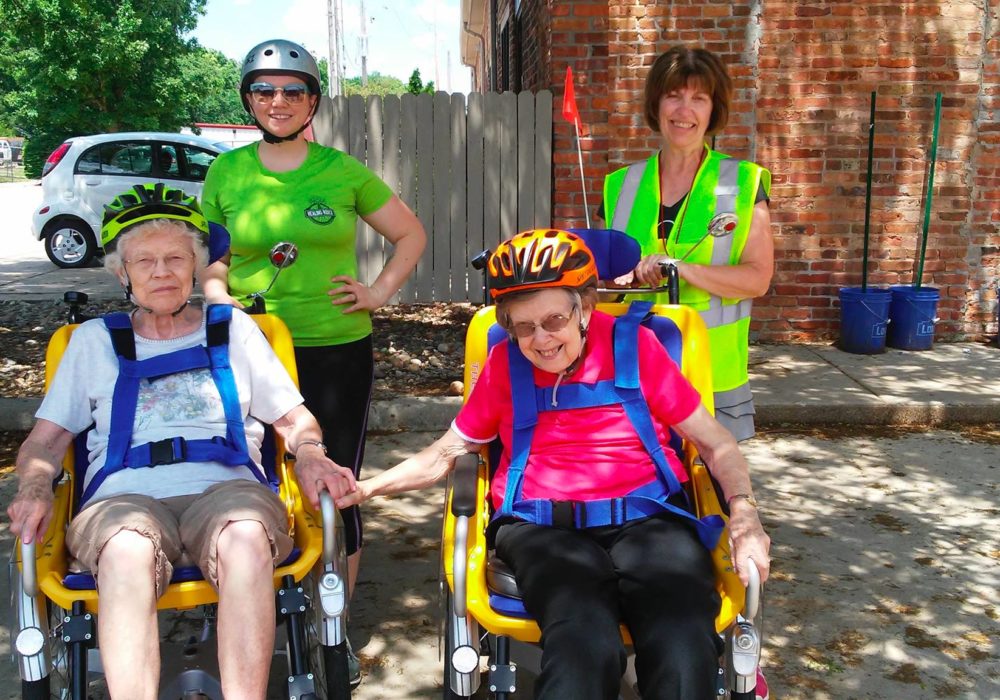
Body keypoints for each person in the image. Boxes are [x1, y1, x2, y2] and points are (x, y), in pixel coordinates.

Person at [336, 229, 771, 699]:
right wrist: (366, 488)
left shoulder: (638, 347)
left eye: (554, 320)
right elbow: (446, 452)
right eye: (523, 327)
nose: (541, 340)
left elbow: (717, 444)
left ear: (586, 308)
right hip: (541, 526)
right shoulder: (504, 365)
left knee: (683, 640)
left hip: (649, 517)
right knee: (584, 644)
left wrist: (744, 515)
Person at [7, 183, 356, 700]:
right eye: (144, 261)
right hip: (123, 497)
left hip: (229, 489)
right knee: (125, 551)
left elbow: (295, 419)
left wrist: (310, 454)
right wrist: (35, 486)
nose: (161, 271)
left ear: (196, 267)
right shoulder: (92, 342)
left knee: (245, 539)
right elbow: (45, 443)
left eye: (175, 258)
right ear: (122, 273)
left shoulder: (235, 330)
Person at [200, 38, 427, 681]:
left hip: (334, 349)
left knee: (335, 483)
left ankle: (334, 626)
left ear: (312, 101)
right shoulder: (226, 173)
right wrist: (218, 300)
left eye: (292, 90)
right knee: (245, 478)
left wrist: (378, 292)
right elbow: (212, 261)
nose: (278, 101)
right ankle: (245, 607)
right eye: (264, 90)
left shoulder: (342, 171)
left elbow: (410, 234)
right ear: (248, 99)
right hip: (250, 350)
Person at [601, 45, 773, 442]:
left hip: (714, 380)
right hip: (634, 376)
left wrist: (679, 268)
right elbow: (603, 285)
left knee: (714, 479)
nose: (684, 110)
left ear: (714, 110)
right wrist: (623, 276)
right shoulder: (619, 186)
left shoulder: (743, 181)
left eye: (699, 98)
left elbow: (757, 279)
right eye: (673, 95)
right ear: (656, 104)